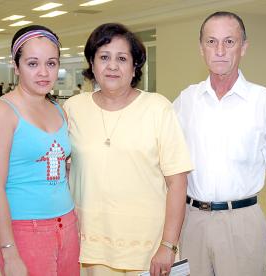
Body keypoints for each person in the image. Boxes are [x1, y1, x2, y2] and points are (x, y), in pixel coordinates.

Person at [173, 11, 266, 276]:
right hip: (192, 221)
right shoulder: (186, 101)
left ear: (243, 47)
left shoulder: (264, 101)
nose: (220, 50)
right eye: (211, 42)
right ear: (201, 48)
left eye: (229, 42)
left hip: (243, 222)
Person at [63, 23, 192, 276]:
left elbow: (178, 183)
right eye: (104, 57)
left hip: (149, 249)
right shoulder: (73, 109)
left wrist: (168, 245)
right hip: (92, 248)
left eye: (122, 58)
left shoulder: (157, 108)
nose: (112, 66)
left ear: (135, 67)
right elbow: (64, 173)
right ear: (92, 63)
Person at [0, 25, 80, 276]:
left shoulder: (58, 109)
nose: (44, 73)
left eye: (52, 63)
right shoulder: (2, 112)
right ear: (16, 66)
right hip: (27, 230)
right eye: (33, 64)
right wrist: (8, 250)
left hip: (67, 224)